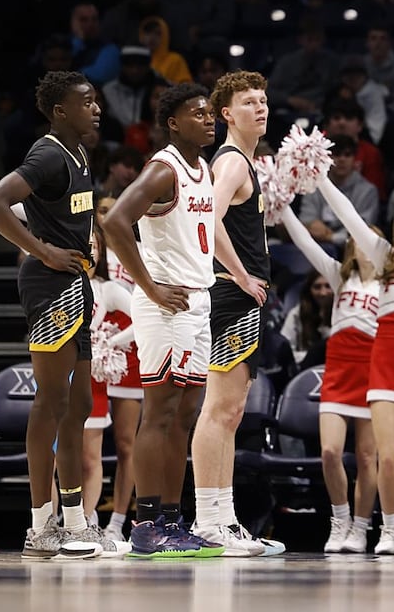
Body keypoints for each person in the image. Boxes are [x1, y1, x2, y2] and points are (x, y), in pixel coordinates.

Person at [101, 82, 252, 559]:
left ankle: (171, 519)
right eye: (198, 114)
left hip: (198, 301)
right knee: (160, 414)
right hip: (165, 305)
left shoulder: (203, 168)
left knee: (185, 416)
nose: (209, 120)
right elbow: (114, 221)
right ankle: (146, 525)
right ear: (172, 122)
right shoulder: (163, 169)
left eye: (211, 114)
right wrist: (147, 287)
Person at [0, 72, 108, 559]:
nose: (96, 109)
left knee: (79, 407)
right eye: (86, 102)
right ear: (60, 110)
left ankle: (76, 520)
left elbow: (72, 213)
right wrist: (43, 251)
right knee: (51, 403)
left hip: (76, 283)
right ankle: (39, 525)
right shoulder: (49, 151)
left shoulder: (79, 155)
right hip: (49, 283)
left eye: (96, 101)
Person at [323, 185, 394, 556]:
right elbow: (350, 218)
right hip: (384, 368)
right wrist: (321, 177)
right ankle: (387, 531)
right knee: (388, 458)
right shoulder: (387, 261)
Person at [190, 72, 275, 556]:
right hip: (229, 294)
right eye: (248, 102)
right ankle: (208, 520)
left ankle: (224, 519)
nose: (260, 108)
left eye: (263, 101)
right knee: (219, 409)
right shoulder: (232, 164)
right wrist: (242, 275)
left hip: (238, 298)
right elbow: (207, 218)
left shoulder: (243, 161)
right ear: (226, 113)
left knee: (232, 410)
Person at [279, 201, 380, 555]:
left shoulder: (391, 285)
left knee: (368, 458)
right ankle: (340, 519)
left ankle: (362, 527)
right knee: (329, 451)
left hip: (372, 369)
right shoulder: (340, 275)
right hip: (338, 368)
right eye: (357, 240)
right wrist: (284, 210)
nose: (362, 246)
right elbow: (307, 244)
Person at [81, 216, 135, 550]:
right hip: (63, 376)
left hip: (99, 372)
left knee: (95, 455)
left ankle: (99, 522)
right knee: (59, 458)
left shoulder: (108, 287)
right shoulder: (54, 279)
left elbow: (144, 316)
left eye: (94, 245)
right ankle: (53, 523)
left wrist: (110, 343)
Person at [92, 194, 142, 546]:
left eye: (115, 210)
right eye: (103, 211)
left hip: (129, 350)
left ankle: (118, 521)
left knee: (127, 443)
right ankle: (85, 515)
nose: (110, 216)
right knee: (87, 445)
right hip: (90, 350)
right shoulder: (88, 248)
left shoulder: (139, 248)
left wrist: (119, 341)